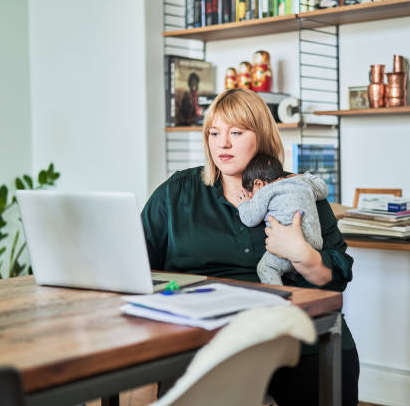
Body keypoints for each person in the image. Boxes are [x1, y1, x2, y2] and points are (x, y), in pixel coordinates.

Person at [142, 88, 359, 405]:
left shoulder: (297, 191)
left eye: (236, 132)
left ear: (262, 136)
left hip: (298, 337)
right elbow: (136, 264)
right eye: (214, 133)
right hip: (205, 339)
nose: (222, 143)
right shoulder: (177, 193)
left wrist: (302, 253)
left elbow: (337, 278)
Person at [238, 153, 329, 285]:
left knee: (266, 268)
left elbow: (250, 219)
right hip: (315, 247)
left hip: (286, 245)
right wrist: (305, 176)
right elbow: (323, 190)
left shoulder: (265, 190)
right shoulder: (302, 183)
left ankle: (278, 298)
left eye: (250, 193)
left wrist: (244, 204)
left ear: (258, 183)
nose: (252, 197)